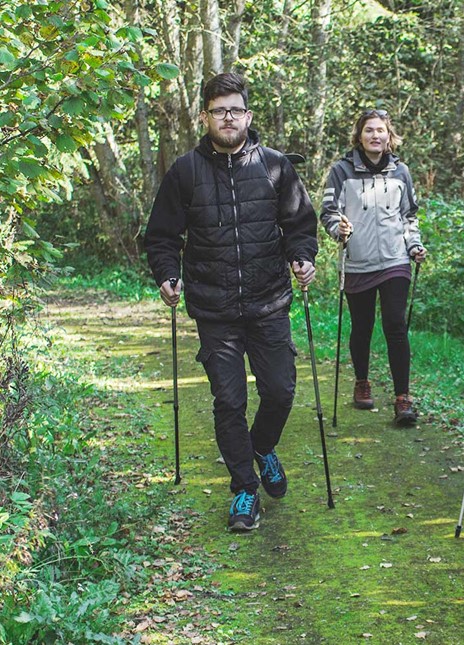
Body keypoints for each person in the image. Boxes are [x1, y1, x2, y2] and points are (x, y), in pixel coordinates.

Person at [145, 72, 318, 532]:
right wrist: (167, 275)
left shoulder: (277, 165)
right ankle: (244, 488)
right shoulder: (185, 171)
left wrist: (302, 257)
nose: (227, 118)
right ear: (205, 116)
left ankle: (260, 448)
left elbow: (301, 224)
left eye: (235, 110)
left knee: (280, 390)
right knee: (229, 400)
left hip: (268, 303)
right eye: (219, 110)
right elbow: (161, 236)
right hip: (214, 308)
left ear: (248, 115)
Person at [321, 108, 426, 426]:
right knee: (362, 327)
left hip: (395, 260)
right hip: (358, 262)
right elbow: (327, 212)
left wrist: (414, 245)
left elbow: (410, 215)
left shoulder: (401, 172)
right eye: (369, 130)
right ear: (359, 135)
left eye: (380, 130)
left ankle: (402, 398)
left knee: (395, 325)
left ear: (389, 136)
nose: (375, 135)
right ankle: (362, 381)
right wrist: (337, 228)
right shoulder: (341, 171)